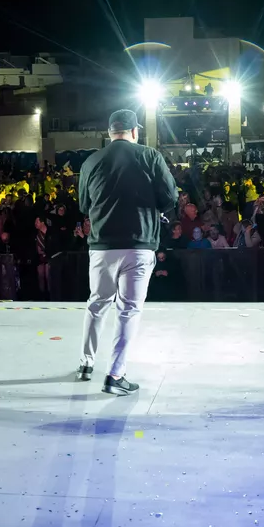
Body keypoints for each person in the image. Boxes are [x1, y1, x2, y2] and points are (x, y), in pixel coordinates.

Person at [76, 109, 178, 395]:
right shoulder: (150, 156)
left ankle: (86, 363)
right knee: (128, 310)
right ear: (135, 132)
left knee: (97, 303)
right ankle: (115, 375)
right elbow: (169, 198)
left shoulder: (91, 161)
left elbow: (84, 205)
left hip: (101, 246)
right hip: (139, 244)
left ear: (110, 133)